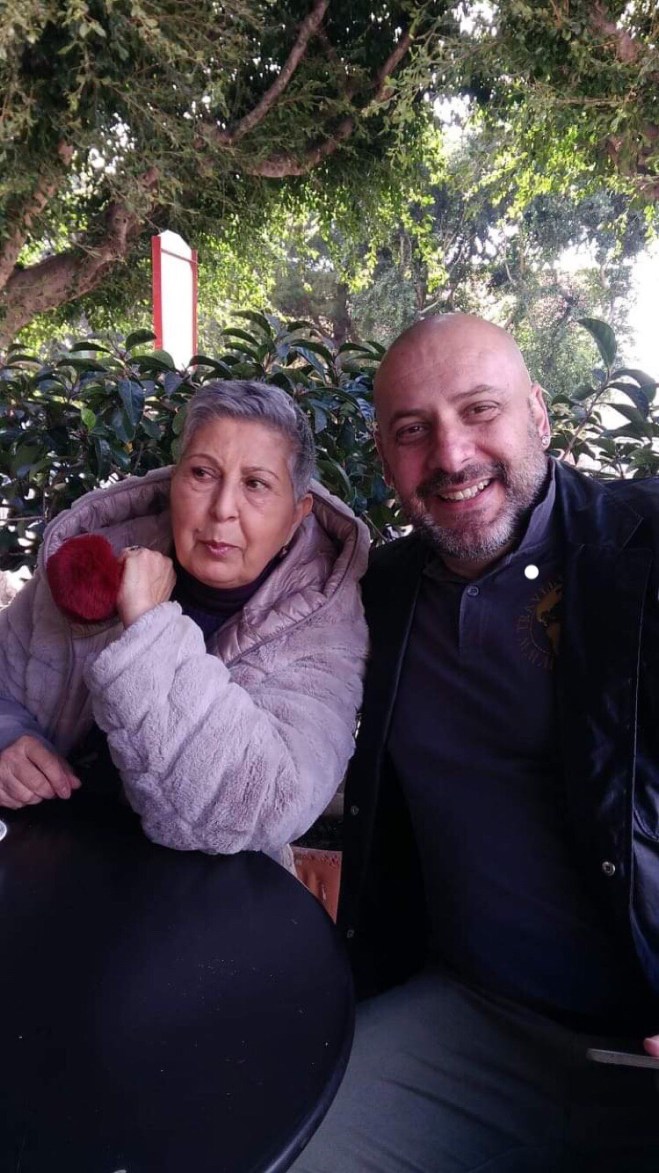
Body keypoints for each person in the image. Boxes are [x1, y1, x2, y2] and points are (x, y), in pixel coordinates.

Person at [294, 314, 659, 1172]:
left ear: (537, 413)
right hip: (469, 1020)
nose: (451, 456)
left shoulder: (642, 549)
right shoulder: (375, 593)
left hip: (642, 1039)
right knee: (286, 1149)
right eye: (411, 430)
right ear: (384, 456)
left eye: (479, 410)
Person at [0, 380, 369, 867]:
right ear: (174, 482)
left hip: (203, 894)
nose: (222, 509)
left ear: (296, 515)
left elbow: (266, 804)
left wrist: (149, 627)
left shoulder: (324, 625)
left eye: (256, 484)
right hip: (41, 859)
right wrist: (7, 739)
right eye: (202, 473)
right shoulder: (96, 557)